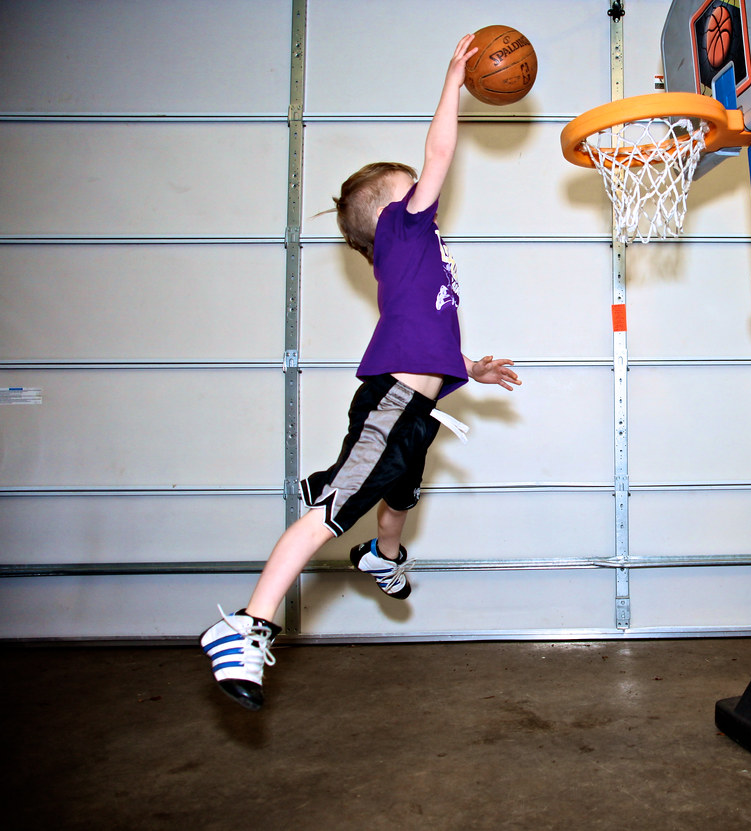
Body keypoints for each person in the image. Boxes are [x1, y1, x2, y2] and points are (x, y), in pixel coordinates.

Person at [200, 34, 521, 711]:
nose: (427, 196)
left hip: (417, 404)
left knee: (401, 494)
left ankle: (381, 556)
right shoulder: (407, 232)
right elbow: (439, 152)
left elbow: (426, 337)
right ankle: (247, 623)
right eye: (412, 192)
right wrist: (453, 80)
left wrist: (471, 367)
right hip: (393, 401)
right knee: (332, 511)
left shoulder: (415, 265)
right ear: (390, 211)